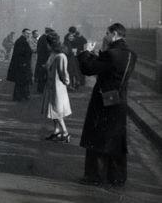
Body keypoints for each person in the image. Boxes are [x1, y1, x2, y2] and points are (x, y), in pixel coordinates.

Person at [78, 23, 137, 187]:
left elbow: (88, 69)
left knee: (97, 137)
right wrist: (102, 53)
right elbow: (111, 71)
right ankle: (117, 176)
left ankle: (94, 176)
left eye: (107, 33)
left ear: (115, 34)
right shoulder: (131, 54)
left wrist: (86, 52)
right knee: (116, 138)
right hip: (119, 100)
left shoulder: (111, 54)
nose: (105, 35)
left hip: (104, 100)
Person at [41, 32, 71, 143]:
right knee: (52, 109)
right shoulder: (53, 54)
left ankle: (65, 132)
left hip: (58, 87)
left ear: (51, 43)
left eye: (47, 43)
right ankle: (57, 131)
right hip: (51, 86)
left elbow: (63, 72)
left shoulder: (61, 56)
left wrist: (66, 81)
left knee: (56, 109)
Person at [7, 29, 33, 101]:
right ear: (23, 33)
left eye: (29, 33)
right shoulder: (21, 41)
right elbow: (19, 54)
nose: (28, 35)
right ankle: (19, 96)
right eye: (27, 33)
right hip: (22, 65)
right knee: (21, 81)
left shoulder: (23, 40)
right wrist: (23, 63)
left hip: (23, 64)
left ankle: (22, 96)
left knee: (22, 81)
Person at [35, 27, 53, 93]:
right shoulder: (43, 39)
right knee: (42, 75)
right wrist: (43, 62)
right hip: (43, 60)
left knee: (43, 75)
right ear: (48, 32)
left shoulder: (43, 38)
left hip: (43, 60)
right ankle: (40, 89)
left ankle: (41, 89)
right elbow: (41, 51)